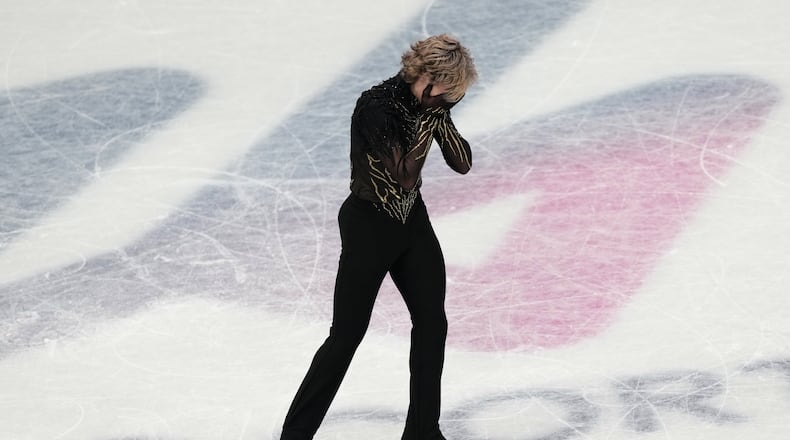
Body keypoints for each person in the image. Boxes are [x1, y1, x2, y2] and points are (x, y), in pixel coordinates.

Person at [280, 34, 478, 440]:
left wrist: (439, 113)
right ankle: (295, 435)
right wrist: (432, 117)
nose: (446, 103)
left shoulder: (431, 106)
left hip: (411, 224)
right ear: (424, 76)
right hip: (368, 225)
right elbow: (402, 174)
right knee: (347, 335)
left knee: (432, 324)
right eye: (443, 94)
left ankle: (423, 432)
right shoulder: (376, 106)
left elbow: (463, 163)